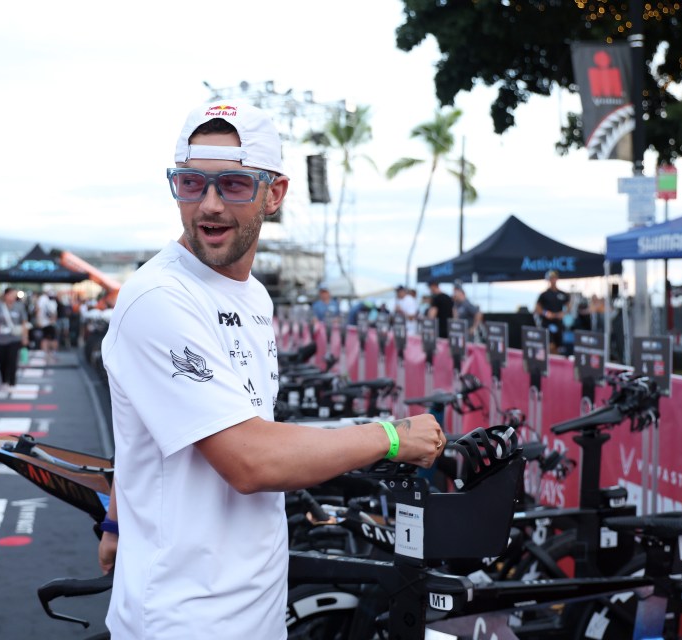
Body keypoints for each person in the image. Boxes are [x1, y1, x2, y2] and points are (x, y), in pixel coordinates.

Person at [97, 100, 443, 639]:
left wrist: (118, 519)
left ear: (274, 194)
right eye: (191, 184)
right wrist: (391, 438)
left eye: (233, 185)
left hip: (253, 607)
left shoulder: (254, 296)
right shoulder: (158, 297)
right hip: (185, 618)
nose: (209, 205)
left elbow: (147, 421)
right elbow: (250, 460)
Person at [0, 287, 27, 391]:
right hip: (1, 339)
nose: (12, 297)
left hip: (14, 338)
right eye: (11, 294)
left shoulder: (19, 307)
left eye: (14, 295)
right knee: (3, 361)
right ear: (6, 295)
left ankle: (12, 382)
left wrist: (25, 336)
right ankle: (4, 381)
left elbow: (24, 322)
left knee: (12, 361)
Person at [534, 270, 571, 355]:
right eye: (550, 278)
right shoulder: (544, 294)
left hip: (558, 323)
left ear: (557, 279)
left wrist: (563, 313)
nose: (552, 280)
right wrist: (546, 313)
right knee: (550, 345)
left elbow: (568, 306)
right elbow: (537, 308)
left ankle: (555, 363)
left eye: (554, 278)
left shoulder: (563, 294)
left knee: (558, 346)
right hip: (547, 323)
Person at [34, 288, 58, 361]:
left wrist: (38, 320)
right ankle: (50, 354)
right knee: (51, 339)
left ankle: (47, 354)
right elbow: (53, 314)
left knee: (46, 339)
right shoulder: (50, 301)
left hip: (44, 323)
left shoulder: (43, 299)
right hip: (48, 323)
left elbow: (38, 309)